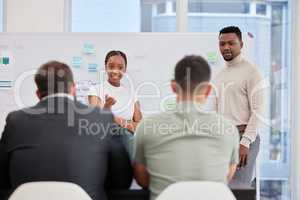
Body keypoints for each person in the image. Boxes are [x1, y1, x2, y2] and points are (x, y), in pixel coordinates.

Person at [0, 61, 132, 200]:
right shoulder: (101, 118)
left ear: (38, 94)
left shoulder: (16, 120)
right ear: (73, 88)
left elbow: (2, 179)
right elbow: (122, 181)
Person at [133, 55, 240, 200]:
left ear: (173, 87)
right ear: (208, 90)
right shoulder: (229, 129)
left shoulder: (146, 127)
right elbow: (226, 176)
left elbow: (142, 178)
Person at [213, 26, 264, 187]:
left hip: (243, 138)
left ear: (241, 45)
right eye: (222, 44)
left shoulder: (251, 72)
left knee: (239, 190)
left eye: (231, 43)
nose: (226, 47)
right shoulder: (219, 75)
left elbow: (258, 111)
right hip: (224, 139)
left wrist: (245, 142)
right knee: (222, 190)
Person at [88, 50, 142, 156]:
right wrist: (107, 106)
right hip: (105, 148)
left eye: (120, 67)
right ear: (106, 66)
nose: (115, 71)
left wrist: (114, 118)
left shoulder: (131, 94)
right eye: (111, 66)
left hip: (128, 148)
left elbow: (140, 127)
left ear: (125, 69)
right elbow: (97, 124)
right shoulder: (95, 90)